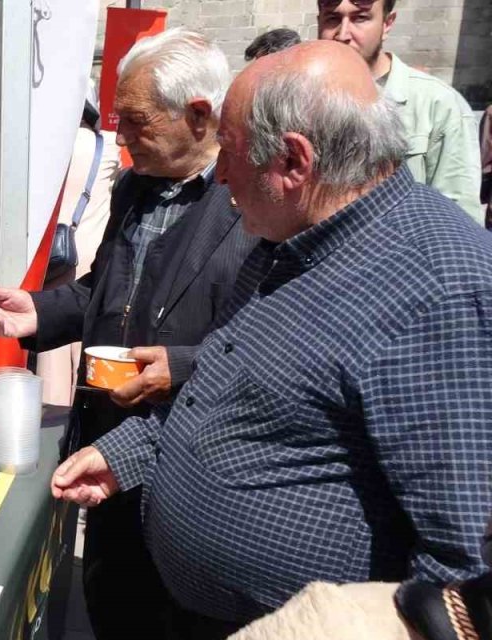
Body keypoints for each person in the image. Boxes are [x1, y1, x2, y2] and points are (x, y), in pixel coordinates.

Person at [49, 41, 492, 638]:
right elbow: (226, 386)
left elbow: (464, 561)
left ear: (294, 161)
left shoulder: (438, 289)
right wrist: (126, 452)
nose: (220, 175)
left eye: (230, 155)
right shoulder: (292, 239)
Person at [0, 28, 258, 640]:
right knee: (111, 600)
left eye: (136, 122)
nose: (119, 138)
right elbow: (101, 289)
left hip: (188, 463)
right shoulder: (133, 186)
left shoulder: (253, 204)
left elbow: (265, 341)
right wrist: (35, 313)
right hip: (105, 440)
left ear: (198, 115)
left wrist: (181, 364)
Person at [318, 0, 483, 221]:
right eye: (332, 18)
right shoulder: (301, 97)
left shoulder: (438, 104)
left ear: (387, 24)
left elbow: (460, 219)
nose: (343, 34)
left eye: (360, 18)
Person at [36, 102, 121, 406]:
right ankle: (81, 404)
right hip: (92, 248)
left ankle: (52, 410)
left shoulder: (46, 147)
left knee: (54, 342)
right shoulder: (107, 146)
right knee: (84, 336)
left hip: (55, 253)